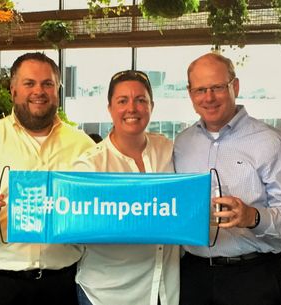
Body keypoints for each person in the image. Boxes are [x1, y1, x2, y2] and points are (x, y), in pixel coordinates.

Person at [0, 52, 94, 305]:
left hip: (63, 286)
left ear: (57, 91)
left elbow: (97, 204)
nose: (39, 91)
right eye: (29, 83)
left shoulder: (83, 145)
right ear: (13, 90)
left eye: (47, 84)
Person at [173, 53, 281, 305]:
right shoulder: (182, 143)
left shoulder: (271, 141)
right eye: (200, 89)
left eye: (217, 87)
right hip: (193, 275)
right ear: (190, 94)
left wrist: (252, 217)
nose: (209, 97)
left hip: (252, 278)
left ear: (234, 86)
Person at [73, 70, 178, 305]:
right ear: (109, 108)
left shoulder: (168, 149)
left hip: (164, 290)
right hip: (108, 294)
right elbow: (77, 230)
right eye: (123, 101)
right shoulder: (89, 166)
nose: (132, 108)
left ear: (152, 106)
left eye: (141, 100)